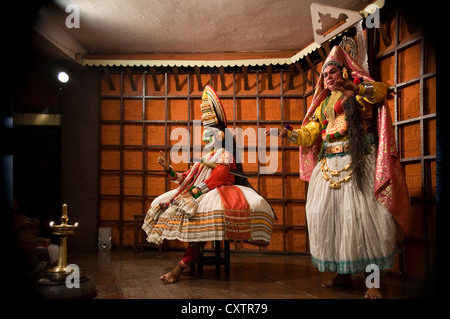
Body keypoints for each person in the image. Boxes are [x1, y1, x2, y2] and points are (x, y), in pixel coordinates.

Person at [266, 45, 411, 299]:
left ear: (344, 71)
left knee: (364, 223)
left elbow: (381, 92)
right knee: (330, 220)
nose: (328, 78)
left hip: (357, 165)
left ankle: (373, 282)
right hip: (329, 168)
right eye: (324, 75)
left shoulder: (359, 88)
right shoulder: (324, 104)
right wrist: (287, 133)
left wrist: (353, 88)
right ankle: (343, 276)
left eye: (332, 72)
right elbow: (311, 133)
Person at [143, 85, 275, 284]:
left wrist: (195, 192)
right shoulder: (207, 156)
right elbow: (185, 177)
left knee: (198, 219)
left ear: (221, 135)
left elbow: (219, 177)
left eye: (210, 131)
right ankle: (185, 262)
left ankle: (181, 266)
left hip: (218, 192)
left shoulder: (225, 154)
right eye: (205, 131)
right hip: (203, 192)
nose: (206, 136)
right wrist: (168, 168)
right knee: (175, 207)